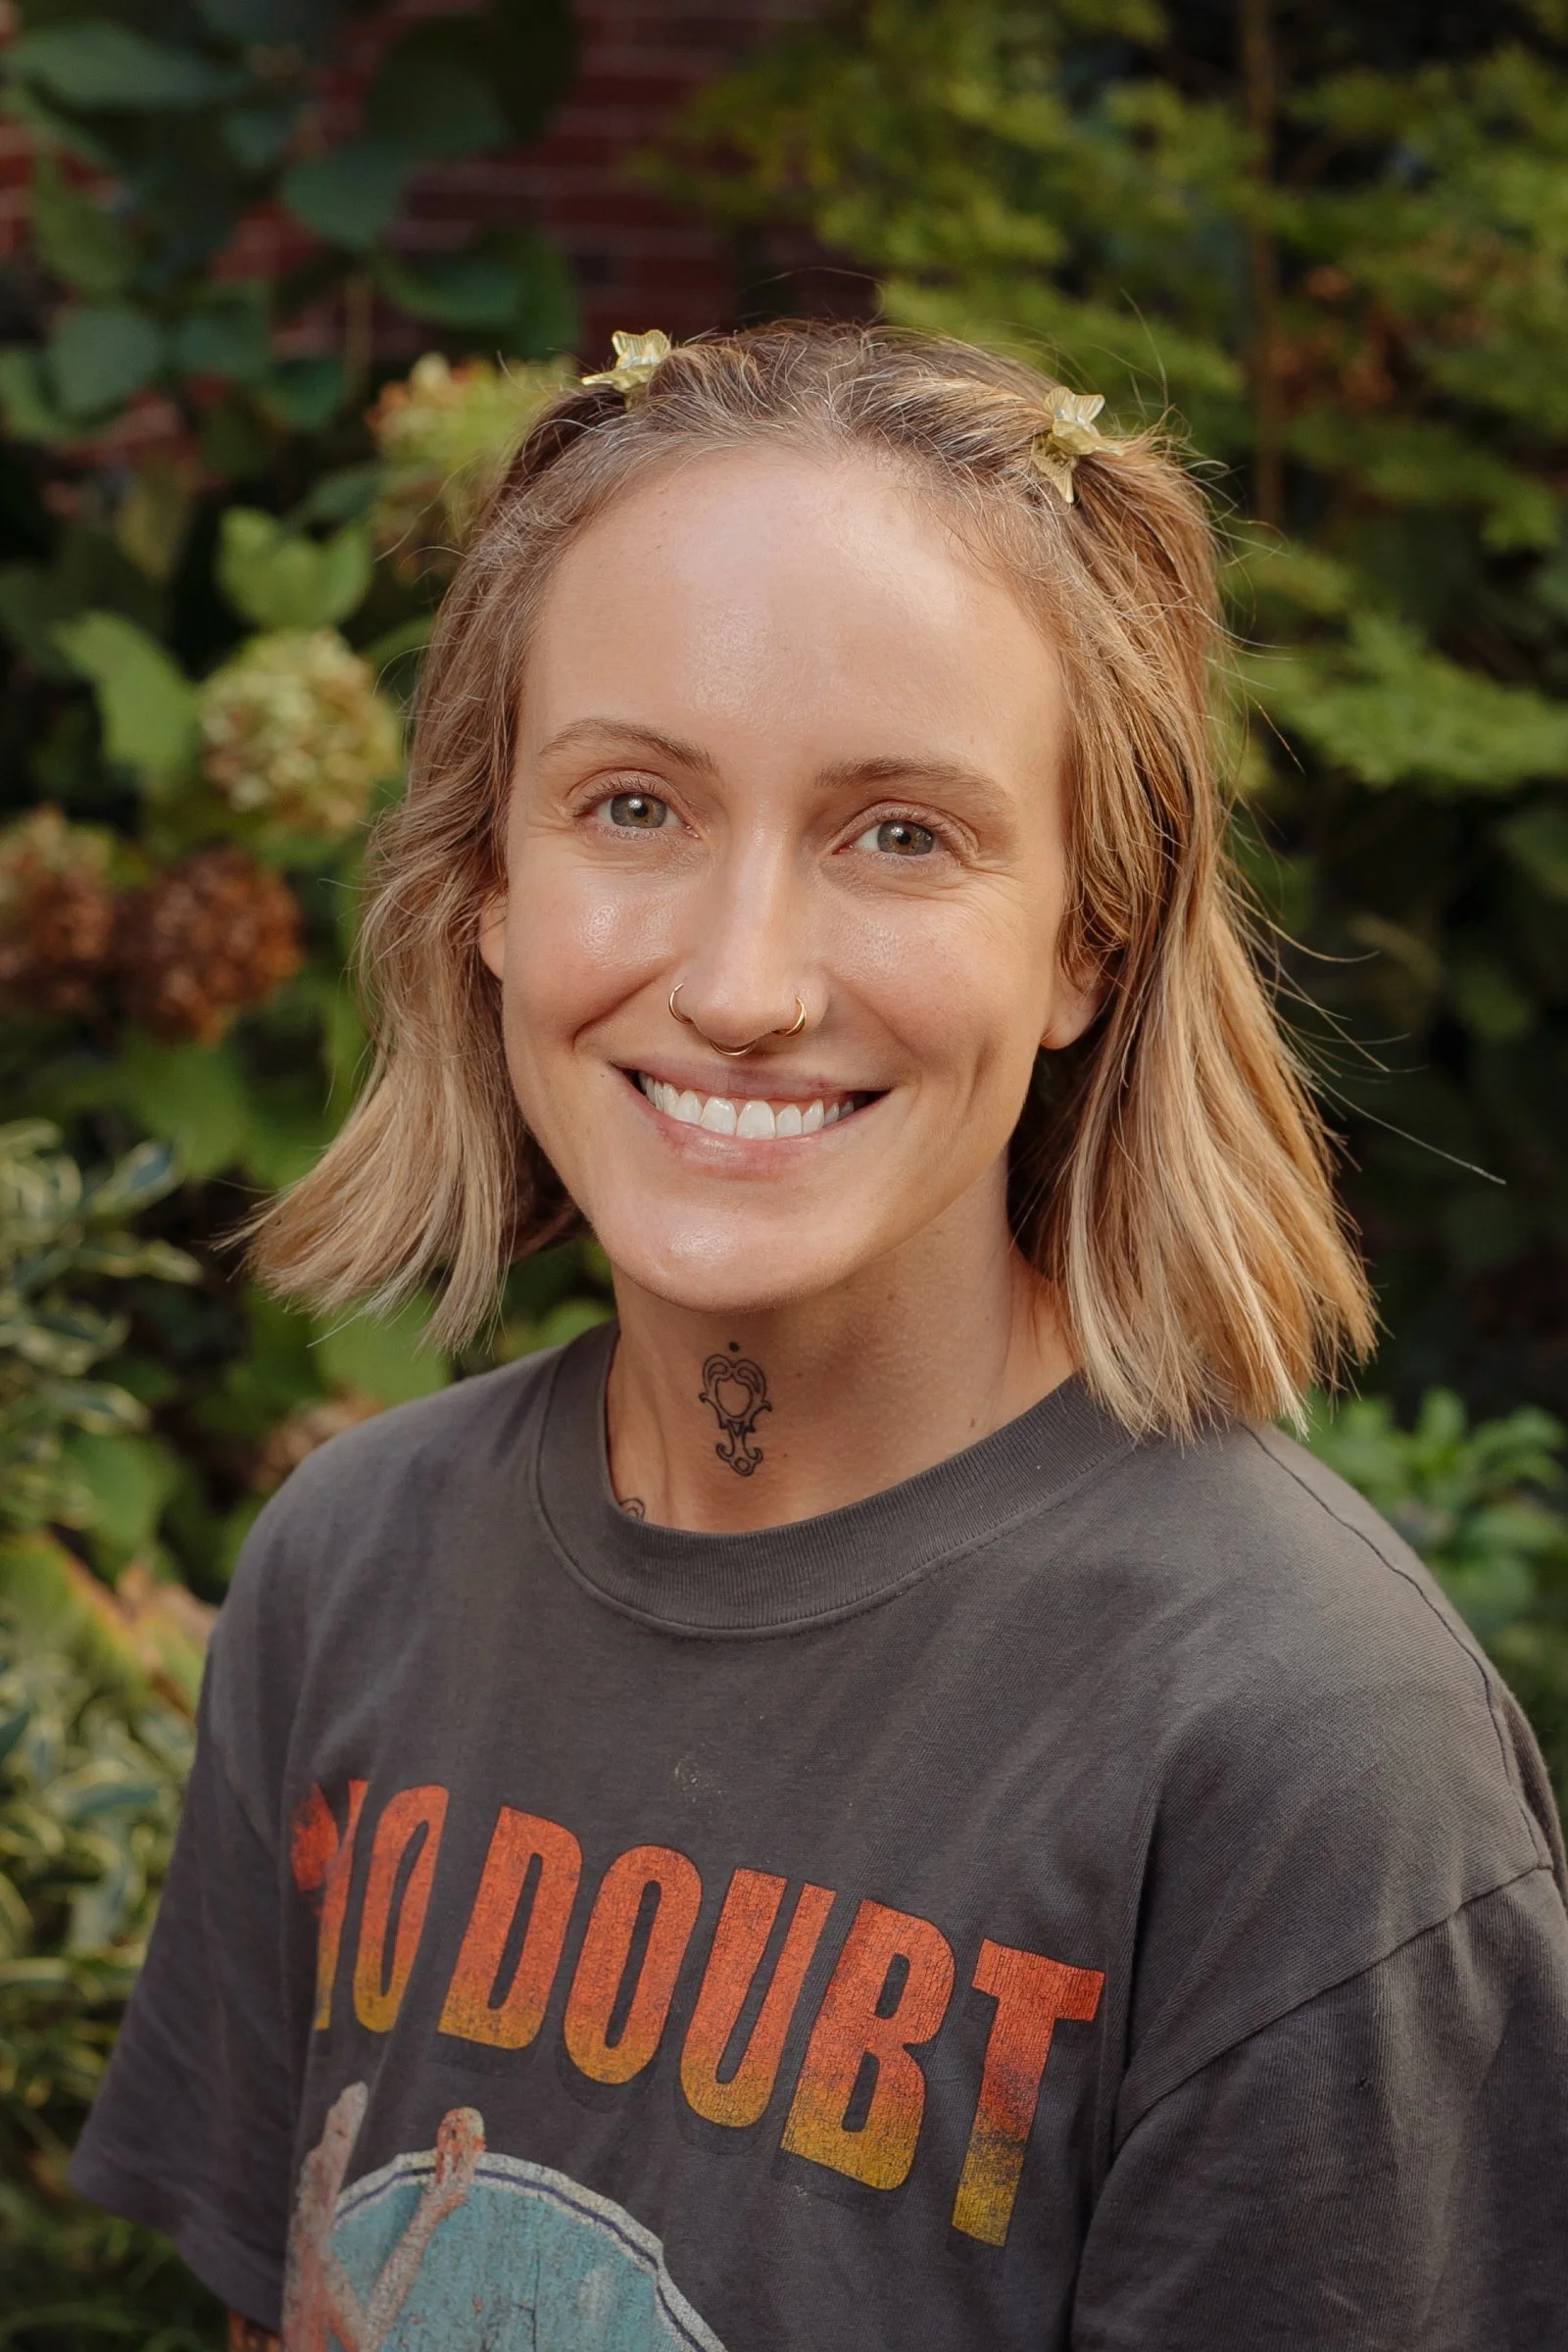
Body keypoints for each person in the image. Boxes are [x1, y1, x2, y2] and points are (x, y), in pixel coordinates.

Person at [71, 323, 1568, 2352]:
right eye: (629, 805)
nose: (744, 980)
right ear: (483, 884)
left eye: (897, 835)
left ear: (1081, 942)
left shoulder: (1297, 1753)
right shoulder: (353, 1569)